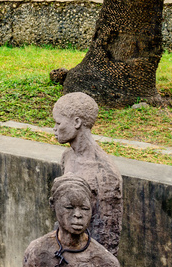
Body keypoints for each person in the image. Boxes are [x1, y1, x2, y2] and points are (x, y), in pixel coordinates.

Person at [52, 92, 123, 255]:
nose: (54, 129)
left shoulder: (105, 173)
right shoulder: (67, 157)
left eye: (58, 123)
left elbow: (107, 236)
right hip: (64, 248)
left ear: (77, 122)